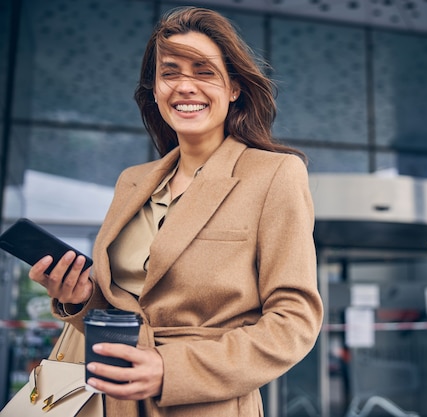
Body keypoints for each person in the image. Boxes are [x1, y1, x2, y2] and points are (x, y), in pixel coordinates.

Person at [28, 6, 323, 417]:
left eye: (203, 72)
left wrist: (171, 369)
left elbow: (294, 321)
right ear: (154, 88)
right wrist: (80, 299)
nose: (185, 86)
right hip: (107, 398)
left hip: (204, 403)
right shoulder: (133, 181)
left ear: (234, 88)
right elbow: (124, 312)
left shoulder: (274, 174)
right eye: (170, 73)